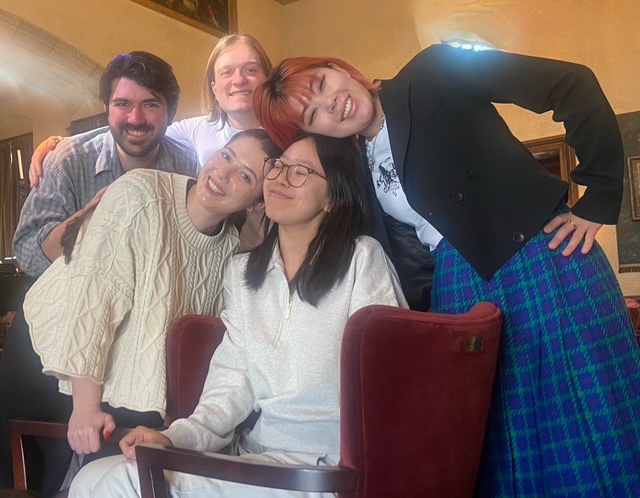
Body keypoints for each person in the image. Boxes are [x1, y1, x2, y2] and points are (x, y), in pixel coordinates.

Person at [253, 44, 640, 496]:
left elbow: (569, 83)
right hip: (458, 285)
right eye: (313, 114)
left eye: (322, 84)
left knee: (590, 410)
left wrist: (599, 197)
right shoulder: (356, 164)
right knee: (498, 436)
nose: (331, 104)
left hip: (541, 254)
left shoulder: (433, 70)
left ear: (337, 66)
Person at [67, 133, 407, 497]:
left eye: (300, 171)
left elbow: (389, 379)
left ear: (333, 199)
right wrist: (174, 437)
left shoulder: (362, 259)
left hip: (326, 467)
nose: (280, 177)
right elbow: (231, 382)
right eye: (278, 166)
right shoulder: (243, 273)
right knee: (90, 477)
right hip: (256, 457)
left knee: (122, 483)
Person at [6, 129, 280, 496]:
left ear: (256, 203)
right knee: (22, 481)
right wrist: (85, 406)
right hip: (51, 352)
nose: (223, 174)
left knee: (104, 481)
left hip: (127, 385)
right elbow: (94, 296)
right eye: (226, 156)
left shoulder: (229, 250)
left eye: (245, 176)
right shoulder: (141, 193)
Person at [0, 50, 200, 494]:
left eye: (150, 104)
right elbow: (27, 251)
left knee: (121, 460)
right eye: (122, 104)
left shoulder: (186, 164)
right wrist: (89, 222)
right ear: (106, 107)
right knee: (31, 462)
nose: (135, 118)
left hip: (140, 332)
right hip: (61, 323)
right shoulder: (70, 158)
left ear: (169, 112)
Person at [29, 34, 273, 250]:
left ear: (268, 80)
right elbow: (137, 131)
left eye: (251, 70)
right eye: (227, 72)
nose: (239, 80)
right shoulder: (197, 130)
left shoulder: (288, 141)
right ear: (214, 88)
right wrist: (62, 144)